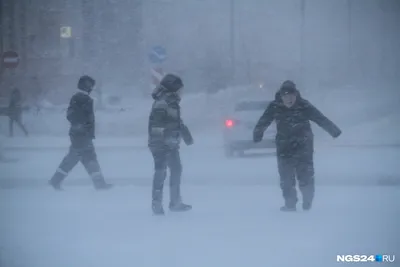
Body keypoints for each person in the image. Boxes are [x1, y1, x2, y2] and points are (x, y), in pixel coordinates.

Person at [253, 80, 342, 211]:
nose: (289, 99)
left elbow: (320, 118)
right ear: (281, 96)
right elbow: (264, 120)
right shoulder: (275, 106)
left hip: (304, 146)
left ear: (296, 95)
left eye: (291, 96)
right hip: (284, 146)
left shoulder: (304, 105)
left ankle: (307, 200)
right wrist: (257, 133)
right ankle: (290, 203)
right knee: (286, 178)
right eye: (286, 96)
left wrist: (334, 131)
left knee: (305, 176)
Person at [49, 75, 112, 191]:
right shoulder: (84, 99)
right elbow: (84, 118)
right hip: (82, 136)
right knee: (77, 158)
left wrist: (79, 127)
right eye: (91, 86)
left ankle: (99, 184)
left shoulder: (77, 98)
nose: (92, 88)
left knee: (87, 159)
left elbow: (70, 115)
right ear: (87, 86)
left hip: (79, 135)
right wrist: (83, 127)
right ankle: (55, 181)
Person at [148, 74, 194, 215]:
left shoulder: (172, 102)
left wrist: (186, 136)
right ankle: (156, 204)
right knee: (160, 172)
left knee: (176, 169)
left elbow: (177, 122)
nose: (181, 92)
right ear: (172, 88)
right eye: (179, 89)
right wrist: (165, 139)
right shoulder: (162, 103)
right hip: (160, 145)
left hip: (171, 144)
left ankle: (175, 202)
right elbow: (156, 126)